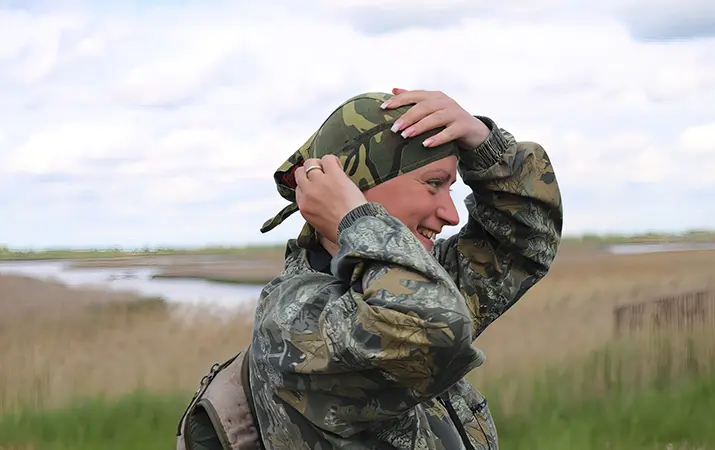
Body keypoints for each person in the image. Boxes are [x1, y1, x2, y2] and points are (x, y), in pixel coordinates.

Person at [252, 88, 563, 449]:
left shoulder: (408, 282)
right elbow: (430, 326)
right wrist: (358, 220)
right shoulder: (295, 321)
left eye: (450, 186)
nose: (451, 213)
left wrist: (484, 145)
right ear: (352, 189)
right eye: (434, 183)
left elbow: (524, 242)